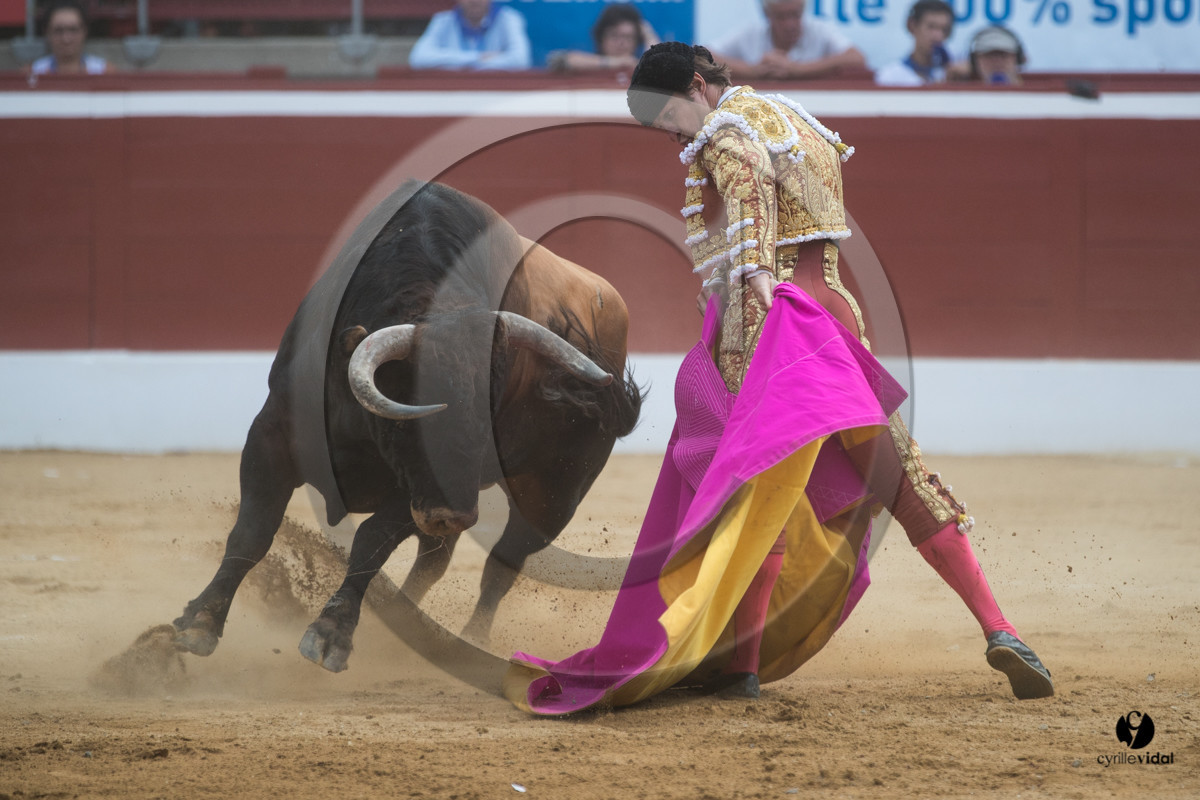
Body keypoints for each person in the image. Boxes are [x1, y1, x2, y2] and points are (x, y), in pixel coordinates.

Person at [505, 42, 1053, 715]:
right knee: (903, 477)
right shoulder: (795, 119)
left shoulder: (726, 130)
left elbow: (749, 179)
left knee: (749, 483)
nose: (673, 135)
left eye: (669, 116)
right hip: (835, 315)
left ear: (698, 86)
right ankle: (999, 627)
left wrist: (755, 271)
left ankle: (742, 667)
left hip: (769, 326)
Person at [709, 0, 866, 81]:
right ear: (767, 14)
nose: (790, 24)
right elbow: (704, 57)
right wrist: (753, 71)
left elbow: (856, 58)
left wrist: (798, 70)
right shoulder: (750, 34)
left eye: (795, 15)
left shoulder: (819, 30)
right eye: (781, 17)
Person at [408, 0, 532, 71]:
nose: (474, 1)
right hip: (452, 92)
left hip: (496, 93)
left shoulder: (509, 19)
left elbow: (520, 60)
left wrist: (455, 64)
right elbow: (418, 58)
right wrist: (477, 57)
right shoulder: (443, 20)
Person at [546, 3, 660, 73]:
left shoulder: (641, 71)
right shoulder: (588, 66)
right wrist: (615, 63)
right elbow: (557, 60)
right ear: (601, 38)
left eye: (628, 37)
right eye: (614, 35)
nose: (621, 42)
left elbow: (661, 64)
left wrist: (648, 34)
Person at [875, 0, 965, 87]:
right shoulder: (891, 77)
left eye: (944, 29)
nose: (938, 36)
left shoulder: (958, 69)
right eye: (931, 27)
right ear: (912, 26)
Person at [29, 1, 110, 76]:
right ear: (47, 32)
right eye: (58, 30)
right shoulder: (32, 73)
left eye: (73, 30)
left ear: (85, 31)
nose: (66, 39)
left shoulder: (104, 72)